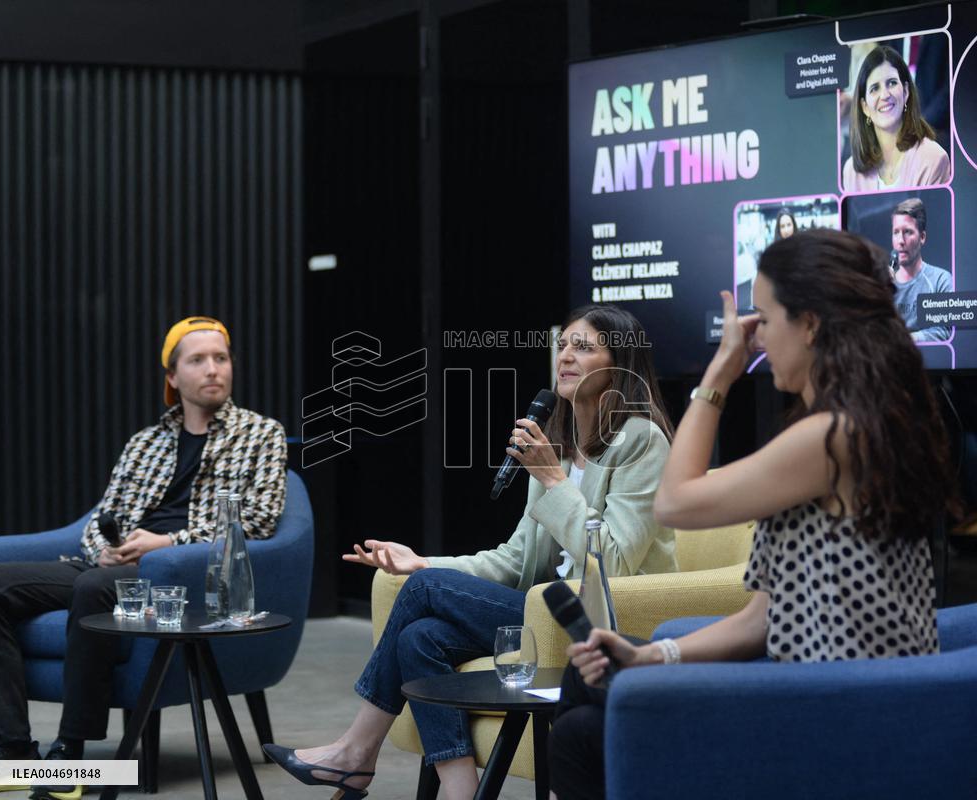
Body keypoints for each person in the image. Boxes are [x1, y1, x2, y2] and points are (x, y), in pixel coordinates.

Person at [549, 229, 958, 800]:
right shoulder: (855, 424)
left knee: (577, 735)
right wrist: (651, 655)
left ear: (810, 324)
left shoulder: (832, 437)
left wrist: (717, 377)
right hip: (819, 689)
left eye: (763, 318)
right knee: (589, 693)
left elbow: (675, 503)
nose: (753, 336)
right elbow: (761, 619)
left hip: (845, 709)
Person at [264, 304, 678, 800]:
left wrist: (552, 480)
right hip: (545, 610)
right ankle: (460, 789)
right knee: (420, 637)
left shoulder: (641, 439)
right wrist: (424, 562)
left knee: (422, 594)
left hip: (602, 621)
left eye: (584, 347)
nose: (565, 356)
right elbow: (513, 559)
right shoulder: (562, 446)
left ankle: (356, 753)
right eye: (563, 344)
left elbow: (614, 560)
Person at [0, 317, 288, 800]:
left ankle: (70, 753)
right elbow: (104, 515)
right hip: (116, 565)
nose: (213, 370)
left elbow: (261, 520)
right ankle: (9, 746)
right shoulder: (146, 442)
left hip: (182, 574)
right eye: (197, 360)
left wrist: (168, 544)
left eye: (221, 358)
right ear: (172, 377)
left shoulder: (261, 434)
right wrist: (103, 547)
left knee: (94, 589)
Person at [843, 45, 950, 191]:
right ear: (865, 107)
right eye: (875, 88)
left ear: (906, 92)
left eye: (892, 83)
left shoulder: (933, 159)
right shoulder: (851, 172)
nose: (885, 95)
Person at [890, 197, 952, 341]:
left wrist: (904, 340)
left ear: (922, 237)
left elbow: (945, 332)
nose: (900, 241)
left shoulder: (940, 280)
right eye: (896, 232)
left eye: (908, 232)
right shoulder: (882, 284)